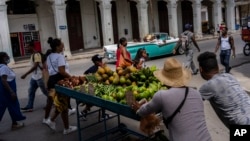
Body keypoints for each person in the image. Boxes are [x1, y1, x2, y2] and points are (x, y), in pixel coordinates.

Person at [131, 58, 212, 141]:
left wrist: (138, 110)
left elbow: (143, 111)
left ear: (165, 80)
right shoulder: (197, 93)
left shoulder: (162, 95)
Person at [198, 52, 250, 128]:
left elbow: (190, 100)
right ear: (218, 67)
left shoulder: (208, 86)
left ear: (201, 69)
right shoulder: (229, 76)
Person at [42, 37, 77, 135]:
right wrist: (72, 77)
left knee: (59, 104)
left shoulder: (49, 56)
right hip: (59, 81)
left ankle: (52, 120)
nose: (63, 46)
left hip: (52, 81)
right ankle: (65, 128)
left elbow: (49, 70)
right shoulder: (60, 56)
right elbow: (61, 71)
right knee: (64, 105)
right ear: (57, 47)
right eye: (62, 44)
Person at [0, 52, 26, 130]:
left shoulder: (3, 66)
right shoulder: (4, 67)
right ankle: (14, 123)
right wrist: (11, 92)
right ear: (3, 58)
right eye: (7, 56)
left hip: (6, 91)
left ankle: (14, 124)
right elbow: (4, 80)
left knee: (13, 107)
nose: (8, 57)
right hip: (7, 92)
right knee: (4, 108)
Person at [20, 40, 48, 112]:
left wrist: (26, 74)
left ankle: (54, 101)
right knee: (31, 91)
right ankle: (30, 106)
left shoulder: (36, 55)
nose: (26, 48)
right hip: (34, 77)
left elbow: (35, 66)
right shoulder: (32, 55)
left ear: (32, 47)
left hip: (40, 77)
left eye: (27, 47)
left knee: (46, 92)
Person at [79, 54, 110, 120]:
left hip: (96, 86)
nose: (101, 61)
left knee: (98, 100)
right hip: (91, 86)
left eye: (101, 59)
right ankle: (84, 112)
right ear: (96, 62)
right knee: (93, 101)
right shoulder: (93, 69)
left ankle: (85, 112)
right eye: (100, 60)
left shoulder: (99, 68)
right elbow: (85, 75)